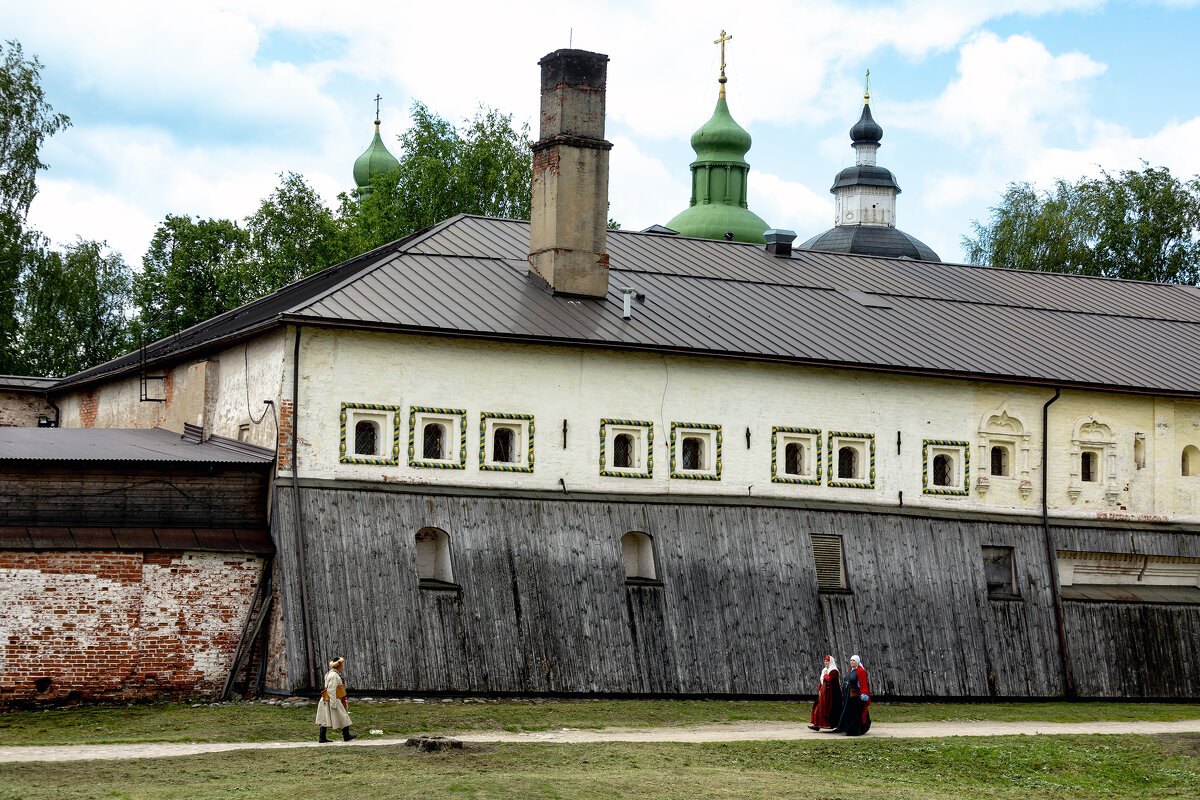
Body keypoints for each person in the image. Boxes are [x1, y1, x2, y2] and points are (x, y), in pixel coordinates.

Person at [315, 657, 357, 743]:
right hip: (333, 699)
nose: (342, 667)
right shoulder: (334, 675)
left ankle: (322, 737)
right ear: (338, 666)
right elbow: (331, 689)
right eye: (341, 666)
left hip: (328, 699)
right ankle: (346, 736)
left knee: (326, 718)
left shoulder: (330, 673)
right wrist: (333, 702)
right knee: (343, 716)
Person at [835, 654, 871, 736]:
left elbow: (864, 683)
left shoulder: (861, 671)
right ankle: (848, 729)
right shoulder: (850, 670)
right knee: (848, 712)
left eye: (853, 660)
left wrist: (864, 693)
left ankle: (855, 730)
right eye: (851, 660)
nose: (851, 662)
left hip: (856, 696)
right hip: (848, 695)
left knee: (855, 713)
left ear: (857, 662)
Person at [808, 655, 843, 731]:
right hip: (824, 693)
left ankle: (833, 725)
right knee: (818, 707)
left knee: (828, 709)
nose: (826, 663)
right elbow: (822, 681)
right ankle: (816, 725)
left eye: (827, 661)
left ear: (831, 662)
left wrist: (826, 675)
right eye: (825, 661)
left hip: (831, 694)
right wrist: (820, 689)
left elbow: (832, 682)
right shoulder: (824, 670)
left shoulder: (834, 671)